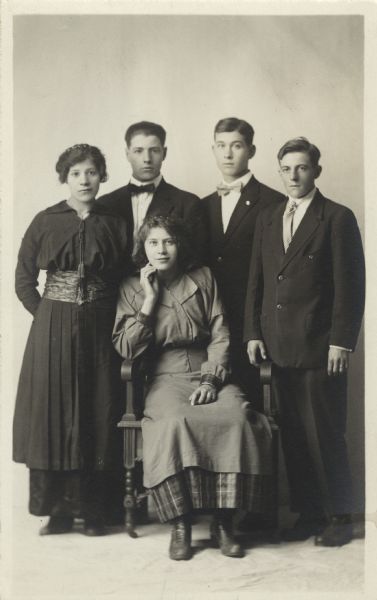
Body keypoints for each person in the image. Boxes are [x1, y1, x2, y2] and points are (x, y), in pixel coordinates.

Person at [112, 215, 272, 560]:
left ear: (179, 245)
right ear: (144, 248)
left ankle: (223, 522)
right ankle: (180, 524)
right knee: (172, 423)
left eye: (168, 241)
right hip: (164, 376)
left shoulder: (202, 278)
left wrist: (211, 379)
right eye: (153, 242)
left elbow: (221, 333)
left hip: (209, 370)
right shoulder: (131, 287)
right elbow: (126, 348)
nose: (161, 249)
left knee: (238, 418)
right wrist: (149, 301)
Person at [244, 137, 365, 546]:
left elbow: (351, 287)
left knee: (325, 434)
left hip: (319, 347)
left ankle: (341, 517)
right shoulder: (269, 216)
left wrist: (341, 342)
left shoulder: (336, 217)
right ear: (278, 171)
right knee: (293, 434)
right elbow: (257, 282)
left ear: (316, 170)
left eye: (301, 168)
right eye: (286, 169)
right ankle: (309, 513)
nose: (293, 176)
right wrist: (253, 333)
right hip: (278, 346)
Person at [13, 144, 129, 536]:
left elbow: (123, 279)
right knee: (53, 414)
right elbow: (24, 280)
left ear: (102, 177)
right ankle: (57, 511)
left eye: (92, 172)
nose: (85, 180)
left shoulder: (115, 223)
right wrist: (48, 317)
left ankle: (92, 512)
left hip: (100, 327)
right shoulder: (45, 221)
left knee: (97, 409)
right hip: (52, 330)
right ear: (65, 177)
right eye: (77, 173)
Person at [202, 118, 284, 406]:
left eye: (236, 146)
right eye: (221, 146)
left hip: (255, 326)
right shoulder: (203, 205)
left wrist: (256, 330)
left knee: (255, 407)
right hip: (210, 325)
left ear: (251, 150)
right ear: (213, 149)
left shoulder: (275, 202)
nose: (227, 154)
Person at [98, 121, 206, 259]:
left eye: (154, 150)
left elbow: (194, 257)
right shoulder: (105, 204)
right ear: (127, 154)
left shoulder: (188, 203)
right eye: (138, 151)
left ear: (164, 153)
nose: (147, 159)